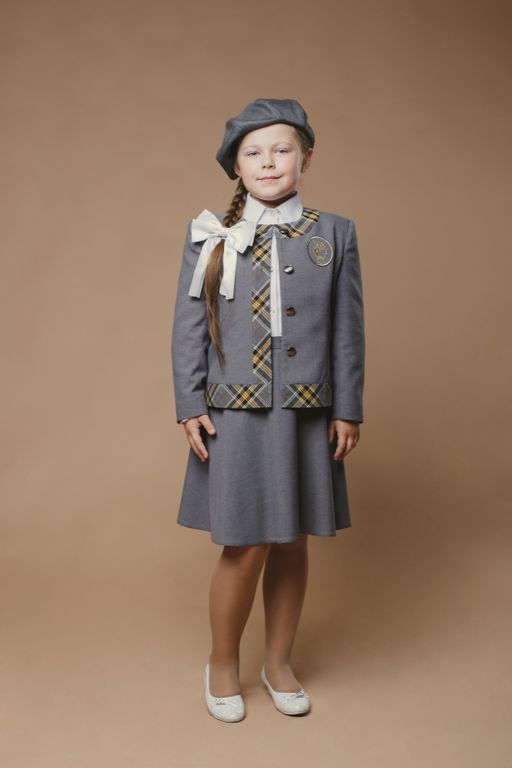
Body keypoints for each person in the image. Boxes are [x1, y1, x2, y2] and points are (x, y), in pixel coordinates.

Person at [171, 98, 365, 722]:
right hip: (235, 414)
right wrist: (189, 404)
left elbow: (347, 329)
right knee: (245, 543)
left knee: (292, 541)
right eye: (253, 152)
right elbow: (189, 329)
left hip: (308, 410)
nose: (269, 161)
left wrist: (348, 408)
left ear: (306, 158)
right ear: (237, 166)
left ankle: (278, 662)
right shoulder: (211, 236)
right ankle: (222, 663)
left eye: (282, 149)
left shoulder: (335, 233)